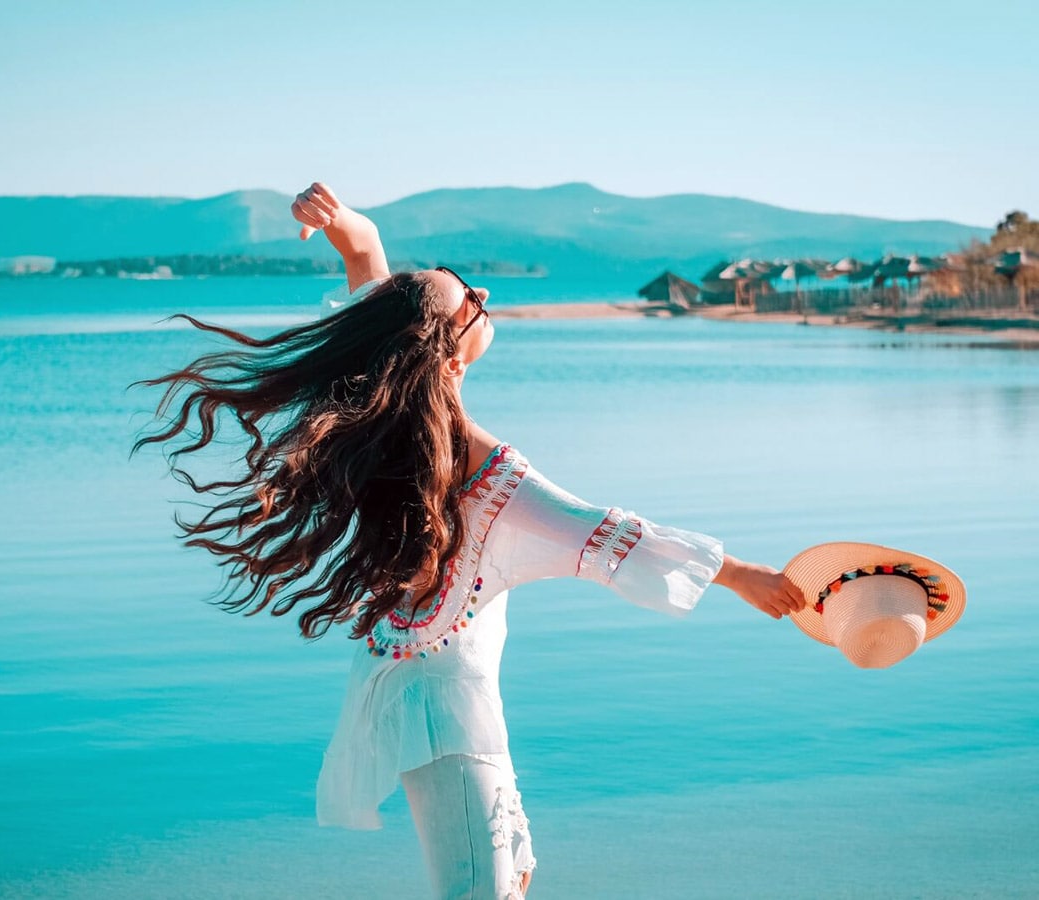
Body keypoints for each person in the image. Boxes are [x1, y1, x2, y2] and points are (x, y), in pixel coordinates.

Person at [137, 182, 807, 899]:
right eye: (470, 300)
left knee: (509, 881)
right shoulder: (492, 475)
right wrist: (740, 574)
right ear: (448, 355)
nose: (483, 292)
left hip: (422, 698)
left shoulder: (392, 425)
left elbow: (368, 267)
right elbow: (607, 533)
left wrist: (344, 222)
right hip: (451, 718)